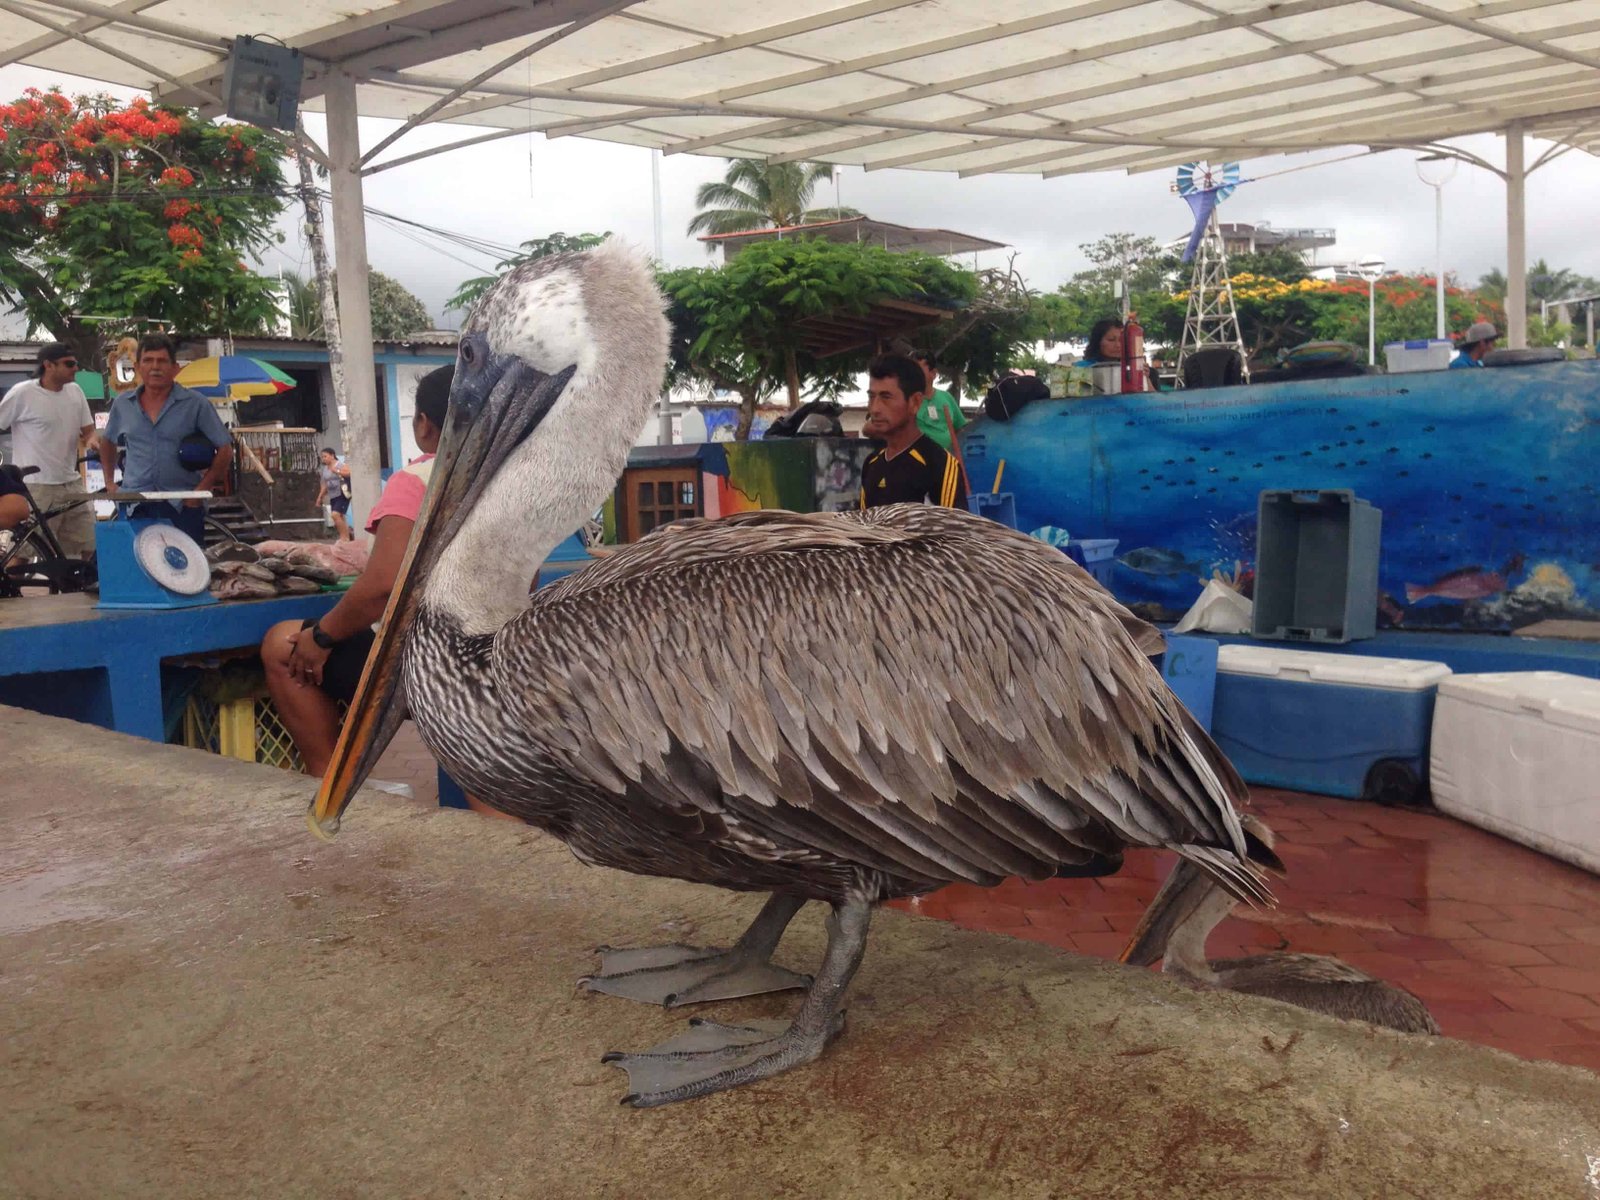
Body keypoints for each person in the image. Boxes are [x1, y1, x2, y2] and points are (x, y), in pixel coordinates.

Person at [261, 364, 450, 779]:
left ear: (423, 424)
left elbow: (383, 586)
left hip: (427, 664)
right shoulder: (511, 481)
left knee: (283, 644)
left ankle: (330, 782)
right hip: (493, 654)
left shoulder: (418, 479)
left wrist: (321, 637)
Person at [98, 333, 233, 546]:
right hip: (135, 505)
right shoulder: (123, 404)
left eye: (162, 361)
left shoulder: (196, 404)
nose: (155, 367)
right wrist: (109, 483)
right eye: (148, 360)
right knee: (134, 565)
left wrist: (200, 491)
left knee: (187, 566)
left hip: (183, 506)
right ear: (137, 367)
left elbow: (225, 449)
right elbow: (107, 442)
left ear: (175, 368)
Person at [0, 343, 96, 558]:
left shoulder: (75, 391)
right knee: (25, 551)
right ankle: (10, 581)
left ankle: (73, 580)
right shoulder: (22, 393)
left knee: (87, 544)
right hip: (37, 485)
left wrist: (92, 441)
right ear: (48, 365)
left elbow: (89, 431)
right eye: (69, 364)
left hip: (71, 481)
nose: (75, 368)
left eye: (76, 363)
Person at [858, 353, 967, 511]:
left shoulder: (939, 465)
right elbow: (864, 521)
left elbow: (955, 525)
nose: (875, 409)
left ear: (915, 402)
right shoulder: (871, 463)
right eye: (871, 397)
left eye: (886, 397)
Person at [908, 348, 967, 452]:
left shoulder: (946, 397)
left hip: (948, 458)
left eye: (918, 371)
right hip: (916, 458)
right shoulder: (906, 400)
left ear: (933, 373)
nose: (913, 376)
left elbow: (961, 429)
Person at [317, 447, 354, 541]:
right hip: (333, 494)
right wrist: (320, 497)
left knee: (335, 515)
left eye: (325, 456)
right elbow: (324, 484)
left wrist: (336, 471)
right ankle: (347, 537)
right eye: (322, 457)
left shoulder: (340, 464)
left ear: (332, 455)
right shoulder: (325, 469)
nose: (323, 459)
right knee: (340, 516)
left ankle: (343, 537)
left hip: (342, 493)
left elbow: (349, 473)